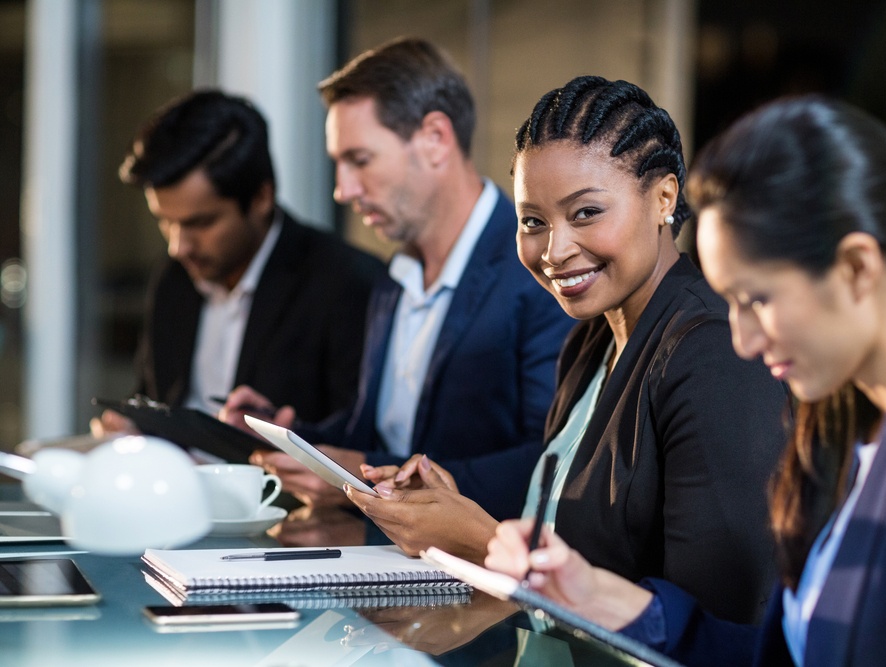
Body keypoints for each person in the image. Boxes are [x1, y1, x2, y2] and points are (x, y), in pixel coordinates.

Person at [484, 96, 886, 667]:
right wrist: (601, 598)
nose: (743, 340)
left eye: (757, 300)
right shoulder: (842, 428)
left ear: (857, 267)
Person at [347, 76, 788, 626]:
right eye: (533, 221)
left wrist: (479, 539)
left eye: (585, 214)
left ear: (664, 199)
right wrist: (454, 507)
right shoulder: (592, 338)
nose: (553, 251)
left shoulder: (714, 354)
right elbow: (576, 537)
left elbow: (718, 625)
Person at [220, 38, 574, 522]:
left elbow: (553, 462)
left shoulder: (540, 267)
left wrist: (384, 481)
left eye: (360, 160)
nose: (343, 190)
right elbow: (380, 433)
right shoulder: (391, 280)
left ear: (434, 139)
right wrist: (295, 436)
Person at [92, 90, 384, 436]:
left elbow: (361, 441)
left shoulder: (348, 284)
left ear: (262, 197)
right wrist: (131, 427)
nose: (178, 246)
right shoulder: (174, 277)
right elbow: (152, 395)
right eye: (164, 220)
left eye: (200, 223)